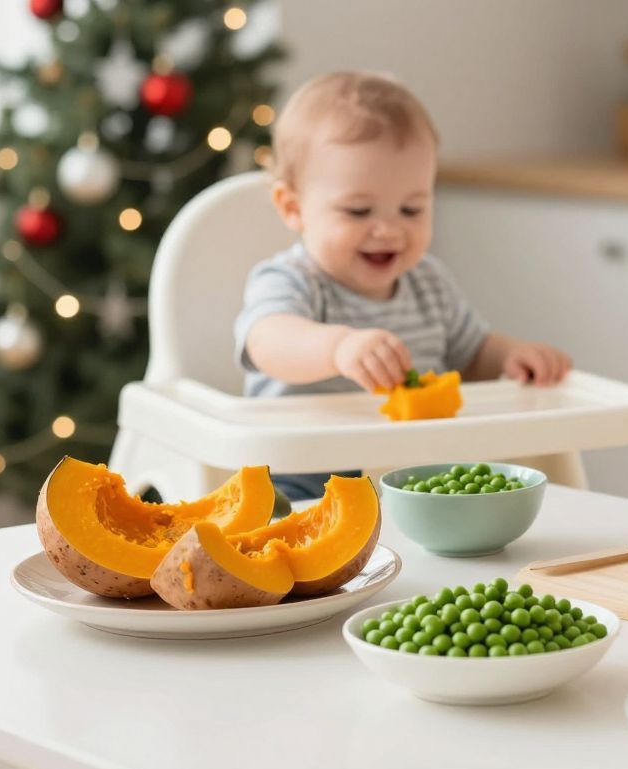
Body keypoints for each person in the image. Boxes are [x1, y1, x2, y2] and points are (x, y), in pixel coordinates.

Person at [235, 71, 572, 502]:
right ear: (293, 207)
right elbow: (267, 341)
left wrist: (513, 357)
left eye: (411, 209)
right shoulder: (292, 280)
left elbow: (471, 354)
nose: (388, 230)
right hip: (301, 475)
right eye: (358, 211)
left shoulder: (429, 283)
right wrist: (338, 348)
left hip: (413, 476)